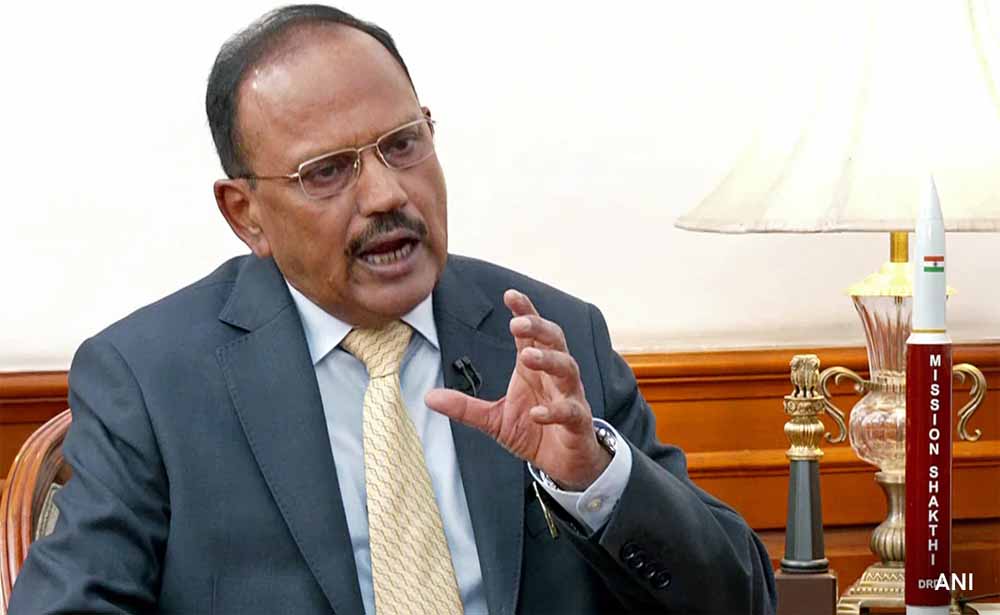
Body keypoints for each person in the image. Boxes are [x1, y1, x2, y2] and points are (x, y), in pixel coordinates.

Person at [9, 5, 776, 614]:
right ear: (246, 214)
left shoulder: (550, 339)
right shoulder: (152, 381)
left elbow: (741, 598)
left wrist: (594, 479)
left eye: (403, 144)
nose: (386, 193)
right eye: (327, 171)